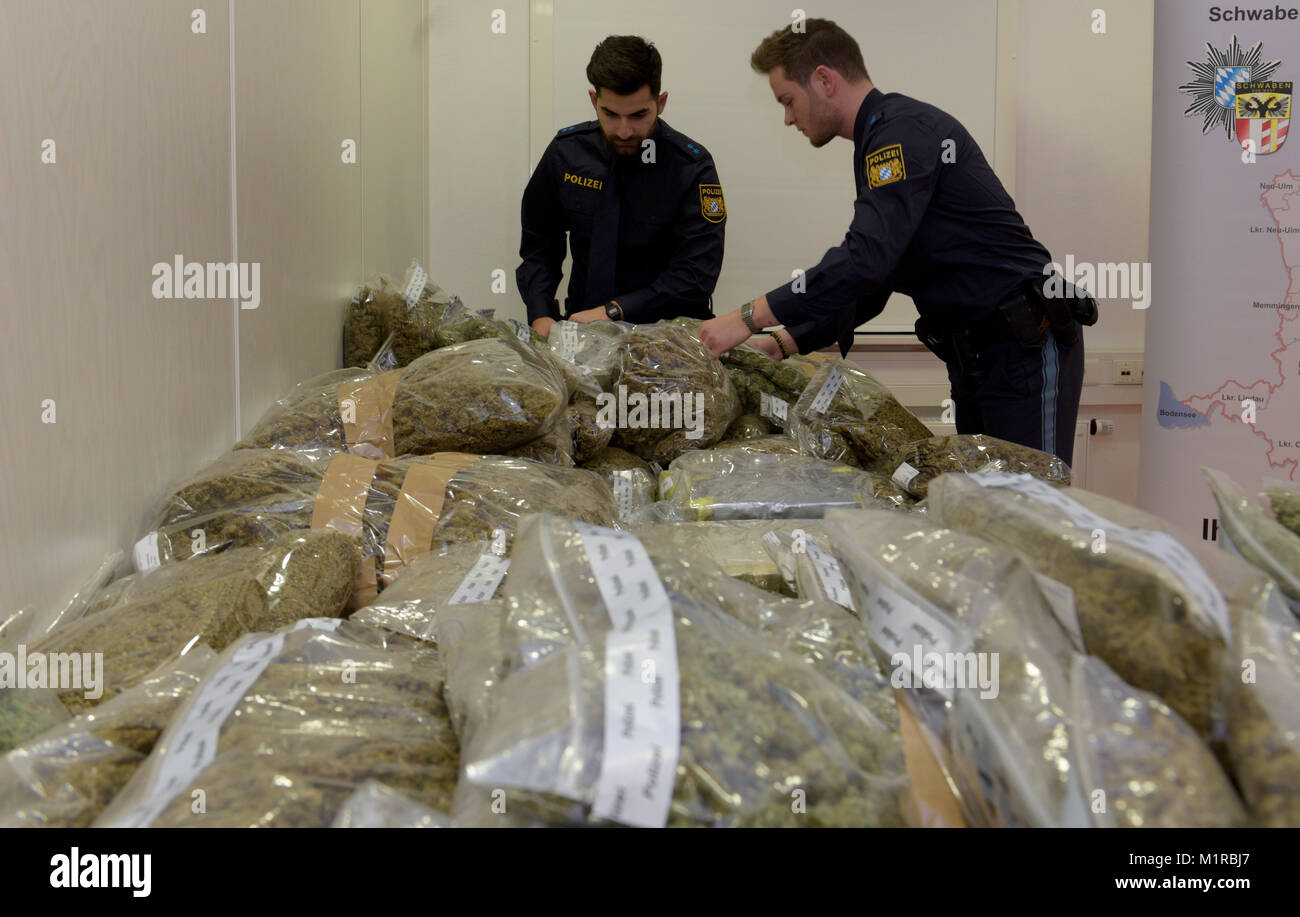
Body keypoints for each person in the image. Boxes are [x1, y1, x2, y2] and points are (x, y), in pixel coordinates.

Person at [698, 19, 1095, 465]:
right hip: (979, 356)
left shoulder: (901, 134)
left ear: (824, 79)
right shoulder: (877, 141)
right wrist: (782, 342)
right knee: (986, 513)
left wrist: (747, 318)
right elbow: (874, 279)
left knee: (1030, 512)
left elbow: (864, 261)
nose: (788, 117)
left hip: (1024, 344)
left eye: (788, 101)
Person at [517, 35, 727, 338]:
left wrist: (612, 312)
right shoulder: (567, 153)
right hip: (581, 331)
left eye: (639, 115)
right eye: (611, 114)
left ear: (661, 103)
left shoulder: (691, 167)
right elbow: (539, 245)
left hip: (668, 336)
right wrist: (540, 314)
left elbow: (695, 276)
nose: (624, 130)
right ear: (594, 101)